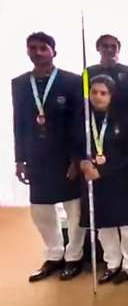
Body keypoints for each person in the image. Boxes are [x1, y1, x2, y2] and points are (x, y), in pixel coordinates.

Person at [12, 32, 86, 282]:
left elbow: (79, 123)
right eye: (32, 47)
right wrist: (19, 159)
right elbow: (19, 123)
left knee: (74, 209)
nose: (38, 52)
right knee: (41, 210)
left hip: (65, 155)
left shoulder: (72, 81)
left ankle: (74, 256)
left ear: (54, 51)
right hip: (36, 156)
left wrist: (77, 159)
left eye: (43, 48)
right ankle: (54, 255)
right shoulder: (20, 83)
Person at [74, 75, 128, 285]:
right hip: (93, 178)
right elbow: (73, 145)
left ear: (112, 95)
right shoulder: (83, 118)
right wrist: (81, 162)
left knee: (127, 225)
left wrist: (104, 171)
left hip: (121, 178)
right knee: (103, 225)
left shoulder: (125, 118)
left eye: (103, 93)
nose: (98, 97)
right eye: (94, 92)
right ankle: (112, 262)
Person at [87, 34, 128, 108]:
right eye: (105, 46)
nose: (109, 49)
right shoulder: (88, 72)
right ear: (98, 48)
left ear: (119, 49)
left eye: (113, 46)